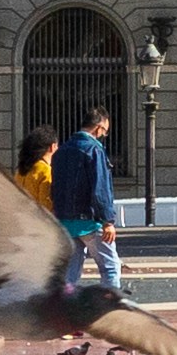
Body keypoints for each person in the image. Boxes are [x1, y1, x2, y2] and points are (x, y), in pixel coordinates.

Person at [54, 102, 123, 291]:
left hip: (66, 221)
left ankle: (61, 310)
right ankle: (110, 309)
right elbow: (100, 188)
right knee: (110, 267)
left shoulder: (61, 152)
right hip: (90, 221)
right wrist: (108, 221)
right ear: (99, 127)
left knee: (70, 273)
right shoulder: (94, 149)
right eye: (105, 132)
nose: (104, 136)